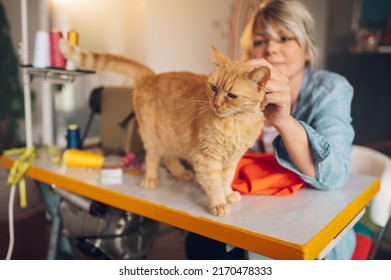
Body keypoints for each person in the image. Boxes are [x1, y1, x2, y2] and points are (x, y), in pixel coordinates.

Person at [186, 0, 355, 260]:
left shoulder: (331, 89)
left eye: (285, 38)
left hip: (312, 224)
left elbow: (335, 176)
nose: (271, 49)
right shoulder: (237, 91)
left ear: (308, 49)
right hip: (253, 214)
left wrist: (284, 121)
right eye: (259, 41)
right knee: (198, 244)